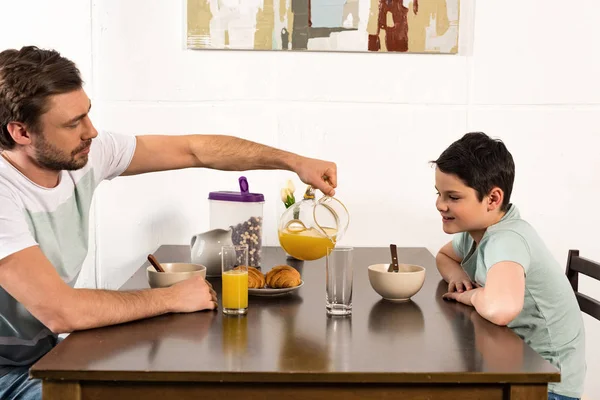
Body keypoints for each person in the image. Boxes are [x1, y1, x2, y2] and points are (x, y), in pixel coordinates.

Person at [0, 46, 338, 400]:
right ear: (21, 132)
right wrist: (170, 297)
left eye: (87, 114)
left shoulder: (82, 155)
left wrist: (294, 161)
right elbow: (61, 311)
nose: (92, 131)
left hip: (41, 356)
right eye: (73, 124)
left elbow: (194, 149)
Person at [433, 132, 586, 400]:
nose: (439, 205)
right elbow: (444, 256)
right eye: (439, 194)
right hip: (517, 366)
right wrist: (457, 275)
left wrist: (470, 295)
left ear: (492, 199)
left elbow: (500, 309)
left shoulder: (507, 239)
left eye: (453, 197)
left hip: (546, 386)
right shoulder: (477, 232)